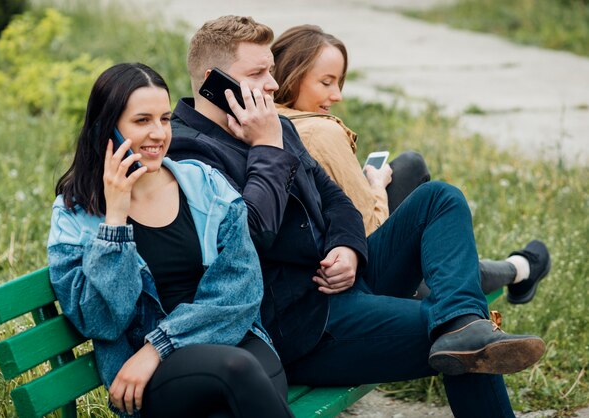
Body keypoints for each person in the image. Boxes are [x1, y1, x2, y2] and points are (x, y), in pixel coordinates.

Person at [168, 15, 546, 418]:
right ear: (213, 80)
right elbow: (250, 235)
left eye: (272, 71)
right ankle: (462, 326)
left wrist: (347, 246)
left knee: (439, 198)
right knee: (466, 346)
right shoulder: (188, 151)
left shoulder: (275, 125)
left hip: (344, 281)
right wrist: (267, 148)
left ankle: (462, 318)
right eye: (258, 73)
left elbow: (336, 200)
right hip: (300, 324)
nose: (273, 85)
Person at [47, 63, 293, 418]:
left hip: (232, 340)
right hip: (154, 378)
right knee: (239, 373)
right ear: (107, 128)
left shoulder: (204, 185)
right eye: (142, 120)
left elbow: (241, 289)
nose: (159, 133)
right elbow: (102, 320)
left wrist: (159, 345)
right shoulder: (76, 217)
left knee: (238, 392)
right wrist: (115, 221)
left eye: (164, 119)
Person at [271, 24, 550, 304]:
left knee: (409, 166)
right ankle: (520, 268)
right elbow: (367, 229)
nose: (338, 95)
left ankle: (517, 268)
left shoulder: (263, 121)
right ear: (293, 77)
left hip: (310, 261)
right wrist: (377, 187)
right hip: (354, 267)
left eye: (339, 83)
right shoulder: (322, 133)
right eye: (326, 82)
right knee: (444, 258)